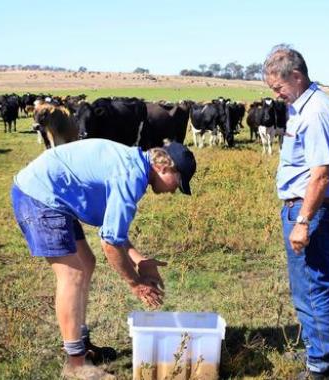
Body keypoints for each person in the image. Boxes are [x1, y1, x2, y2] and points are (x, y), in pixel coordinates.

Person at [11, 138, 196, 379]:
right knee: (72, 274)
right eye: (178, 181)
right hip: (39, 196)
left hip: (52, 195)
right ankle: (75, 365)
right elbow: (109, 243)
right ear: (164, 167)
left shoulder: (133, 165)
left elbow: (112, 230)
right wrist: (136, 284)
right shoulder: (132, 176)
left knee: (86, 263)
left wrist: (140, 260)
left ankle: (81, 344)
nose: (174, 190)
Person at [263, 44, 329, 380]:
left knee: (312, 285)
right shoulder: (302, 107)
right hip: (303, 208)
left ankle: (320, 367)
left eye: (279, 87)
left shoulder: (315, 113)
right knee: (305, 285)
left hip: (310, 210)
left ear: (296, 76)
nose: (277, 95)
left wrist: (302, 221)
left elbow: (321, 173)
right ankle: (317, 350)